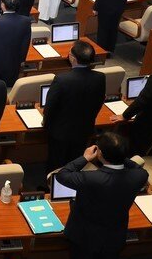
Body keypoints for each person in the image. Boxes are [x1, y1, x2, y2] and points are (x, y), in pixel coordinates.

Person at [60, 132, 147, 259]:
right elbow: (138, 168)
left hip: (84, 235)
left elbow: (63, 175)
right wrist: (119, 155)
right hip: (115, 233)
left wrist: (85, 158)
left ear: (99, 153)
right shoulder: (139, 176)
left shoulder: (91, 178)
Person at [44, 40, 106, 173]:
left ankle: (52, 188)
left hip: (60, 131)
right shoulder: (100, 78)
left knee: (57, 163)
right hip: (84, 129)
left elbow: (50, 106)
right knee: (76, 161)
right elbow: (99, 101)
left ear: (72, 58)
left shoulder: (62, 79)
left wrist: (46, 123)